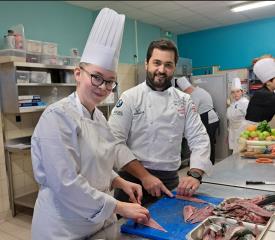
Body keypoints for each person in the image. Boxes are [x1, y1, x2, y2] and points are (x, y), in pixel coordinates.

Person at [31, 8, 149, 240]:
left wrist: (120, 181)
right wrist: (119, 206)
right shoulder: (57, 117)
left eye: (110, 82)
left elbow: (95, 167)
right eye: (96, 77)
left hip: (96, 225)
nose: (103, 87)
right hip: (63, 227)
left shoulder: (99, 117)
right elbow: (66, 184)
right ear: (78, 73)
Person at [108, 39, 212, 206]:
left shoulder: (184, 100)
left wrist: (195, 174)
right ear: (146, 64)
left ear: (174, 68)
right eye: (156, 63)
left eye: (168, 65)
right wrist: (145, 176)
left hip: (170, 181)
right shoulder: (130, 97)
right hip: (132, 183)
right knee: (127, 230)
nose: (161, 70)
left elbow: (199, 139)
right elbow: (114, 142)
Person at [175, 76, 220, 164]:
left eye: (185, 92)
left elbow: (192, 111)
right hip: (211, 118)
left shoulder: (194, 95)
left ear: (186, 89)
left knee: (207, 142)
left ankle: (208, 164)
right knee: (209, 141)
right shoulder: (199, 90)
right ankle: (209, 163)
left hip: (207, 118)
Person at [245, 57, 275, 123]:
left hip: (259, 128)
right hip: (253, 129)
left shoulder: (268, 92)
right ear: (268, 82)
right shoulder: (264, 94)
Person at [226, 77, 249, 153]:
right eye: (233, 92)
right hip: (233, 133)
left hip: (242, 133)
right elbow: (230, 119)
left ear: (242, 92)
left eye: (237, 91)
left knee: (240, 154)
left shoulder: (245, 103)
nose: (235, 94)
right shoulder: (232, 104)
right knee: (235, 154)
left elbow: (249, 120)